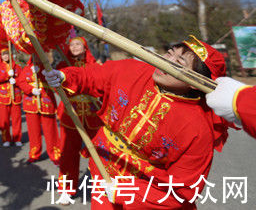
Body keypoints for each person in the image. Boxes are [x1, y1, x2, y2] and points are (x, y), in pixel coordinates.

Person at [43, 35, 230, 209]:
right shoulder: (133, 69)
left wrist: (126, 191)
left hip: (146, 194)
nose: (166, 62)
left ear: (195, 82)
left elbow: (182, 191)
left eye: (179, 62)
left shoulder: (198, 128)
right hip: (103, 166)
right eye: (169, 53)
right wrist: (65, 76)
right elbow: (94, 76)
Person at [55, 37, 103, 197]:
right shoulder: (62, 65)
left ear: (85, 47)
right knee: (68, 153)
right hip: (70, 114)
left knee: (100, 152)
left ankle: (103, 186)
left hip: (93, 115)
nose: (74, 47)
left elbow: (103, 86)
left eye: (78, 44)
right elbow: (55, 87)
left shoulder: (94, 65)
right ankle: (66, 189)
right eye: (72, 44)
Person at [16, 55, 60, 164]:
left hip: (46, 101)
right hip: (31, 103)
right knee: (33, 131)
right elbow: (21, 82)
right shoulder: (26, 68)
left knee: (51, 131)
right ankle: (34, 154)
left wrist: (41, 73)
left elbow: (55, 84)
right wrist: (30, 89)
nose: (37, 57)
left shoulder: (47, 68)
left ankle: (55, 154)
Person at [0, 48, 23, 146]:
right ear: (1, 56)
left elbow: (22, 80)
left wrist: (16, 80)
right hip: (2, 96)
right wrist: (7, 75)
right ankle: (6, 139)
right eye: (3, 54)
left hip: (15, 96)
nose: (5, 56)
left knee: (16, 118)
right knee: (4, 119)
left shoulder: (17, 66)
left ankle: (17, 138)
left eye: (7, 54)